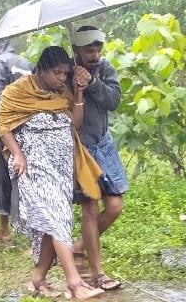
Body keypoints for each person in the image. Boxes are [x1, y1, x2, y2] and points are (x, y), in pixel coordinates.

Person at [0, 46, 104, 299]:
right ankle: (74, 283)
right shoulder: (18, 91)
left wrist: (77, 92)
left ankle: (38, 279)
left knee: (52, 224)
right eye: (56, 73)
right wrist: (18, 154)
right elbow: (3, 125)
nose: (61, 78)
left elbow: (74, 123)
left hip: (62, 167)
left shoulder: (63, 91)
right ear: (42, 70)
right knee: (56, 220)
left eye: (65, 74)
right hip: (34, 166)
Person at [69, 26, 129, 291]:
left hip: (104, 145)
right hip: (81, 149)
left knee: (115, 206)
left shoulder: (105, 69)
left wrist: (92, 83)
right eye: (88, 50)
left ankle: (78, 247)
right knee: (90, 209)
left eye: (97, 49)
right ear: (76, 51)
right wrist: (75, 86)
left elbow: (113, 100)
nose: (94, 55)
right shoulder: (65, 72)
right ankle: (97, 274)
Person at [0, 29, 32, 241]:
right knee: (1, 175)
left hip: (9, 130)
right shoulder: (25, 62)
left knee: (16, 178)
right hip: (29, 126)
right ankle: (4, 228)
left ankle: (32, 234)